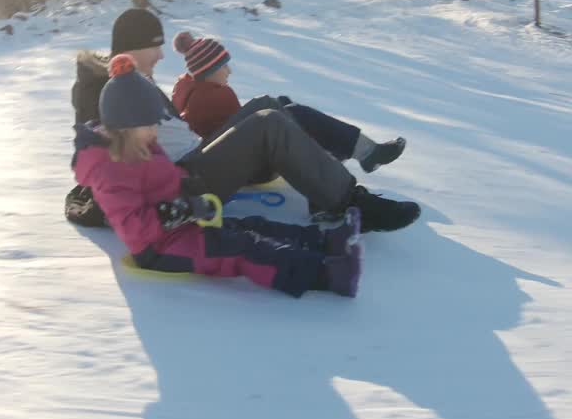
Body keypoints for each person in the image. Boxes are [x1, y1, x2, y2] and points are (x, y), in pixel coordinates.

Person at [67, 8, 420, 234]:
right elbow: (98, 155)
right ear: (131, 47)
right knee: (269, 123)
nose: (162, 54)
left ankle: (361, 153)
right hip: (183, 182)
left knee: (273, 104)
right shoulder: (105, 91)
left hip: (195, 157)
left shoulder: (132, 78)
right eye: (155, 46)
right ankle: (350, 201)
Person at [75, 54, 364, 298]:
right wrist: (182, 208)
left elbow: (167, 177)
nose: (155, 131)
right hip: (160, 248)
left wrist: (190, 189)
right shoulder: (109, 169)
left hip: (182, 225)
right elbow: (135, 229)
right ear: (125, 125)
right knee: (243, 249)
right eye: (149, 124)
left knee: (251, 226)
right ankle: (328, 274)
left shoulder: (141, 144)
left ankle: (327, 241)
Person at [170, 31, 406, 173]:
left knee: (283, 104)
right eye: (223, 66)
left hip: (230, 153)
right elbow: (241, 134)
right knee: (296, 115)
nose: (229, 71)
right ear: (208, 71)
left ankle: (350, 153)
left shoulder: (188, 88)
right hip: (245, 167)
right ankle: (365, 154)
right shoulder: (215, 97)